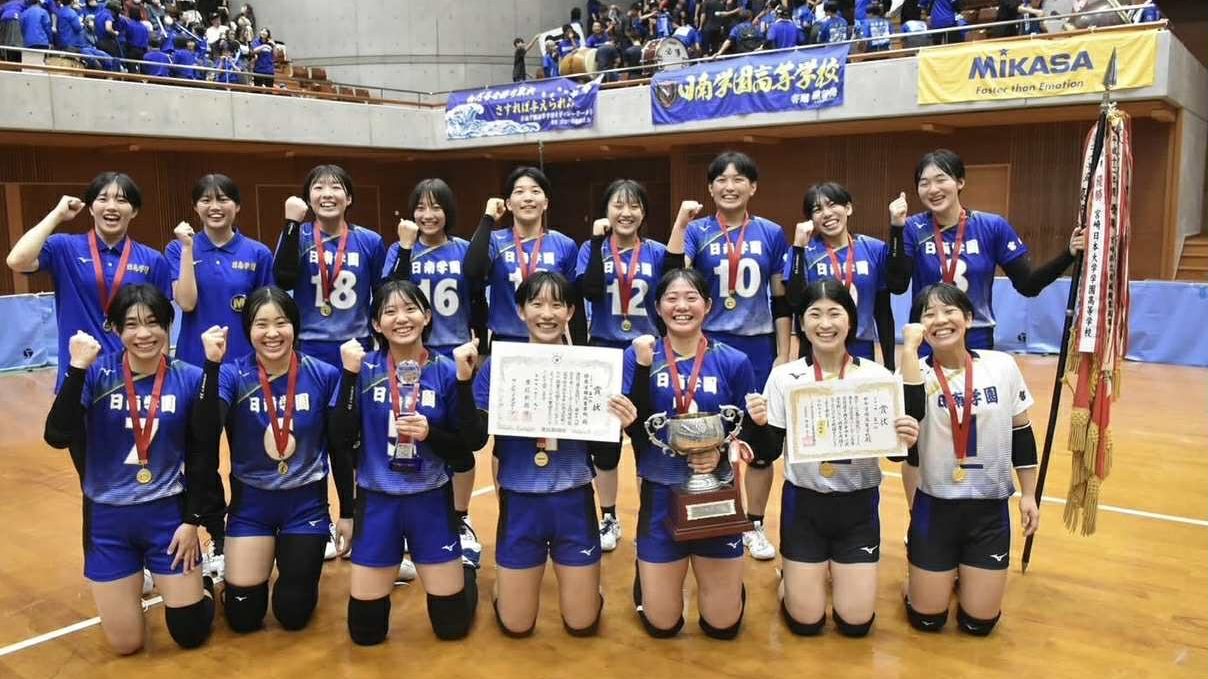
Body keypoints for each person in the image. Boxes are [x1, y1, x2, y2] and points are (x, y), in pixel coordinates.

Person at [42, 284, 222, 654]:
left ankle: (200, 581)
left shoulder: (188, 377)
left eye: (153, 322)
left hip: (167, 519)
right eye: (131, 325)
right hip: (109, 522)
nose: (144, 334)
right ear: (114, 329)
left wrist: (192, 521)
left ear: (168, 325)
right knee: (126, 645)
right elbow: (57, 436)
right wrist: (76, 369)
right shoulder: (96, 375)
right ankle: (129, 590)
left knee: (189, 634)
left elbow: (203, 454)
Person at [464, 271, 636, 637]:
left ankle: (587, 591)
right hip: (521, 501)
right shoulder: (499, 366)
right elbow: (475, 439)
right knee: (517, 626)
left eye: (557, 304)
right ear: (521, 311)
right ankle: (503, 590)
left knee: (582, 624)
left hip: (573, 499)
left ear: (570, 312)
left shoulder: (592, 370)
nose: (547, 313)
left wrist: (619, 424)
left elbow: (604, 454)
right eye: (537, 304)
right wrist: (465, 386)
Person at [759, 280, 919, 636]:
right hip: (804, 505)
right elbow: (768, 450)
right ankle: (792, 579)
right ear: (802, 324)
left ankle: (819, 574)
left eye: (835, 313)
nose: (825, 324)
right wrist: (758, 425)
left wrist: (905, 437)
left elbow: (895, 457)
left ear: (851, 321)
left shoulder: (877, 377)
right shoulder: (784, 378)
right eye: (815, 314)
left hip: (858, 506)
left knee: (856, 623)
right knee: (806, 623)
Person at [332, 279, 481, 644]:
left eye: (411, 309)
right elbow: (339, 438)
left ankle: (464, 566)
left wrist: (435, 427)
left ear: (427, 316)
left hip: (430, 500)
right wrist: (349, 376)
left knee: (451, 627)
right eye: (390, 312)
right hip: (377, 501)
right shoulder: (363, 369)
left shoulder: (445, 369)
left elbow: (468, 446)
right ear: (376, 324)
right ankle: (394, 563)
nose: (401, 318)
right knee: (365, 633)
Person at [625, 268, 765, 639]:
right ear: (658, 307)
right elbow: (636, 431)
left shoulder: (733, 361)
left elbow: (744, 430)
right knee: (662, 625)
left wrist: (721, 453)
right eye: (671, 298)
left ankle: (729, 589)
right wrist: (641, 367)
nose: (682, 306)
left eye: (691, 298)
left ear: (708, 305)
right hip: (661, 491)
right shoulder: (640, 356)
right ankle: (647, 580)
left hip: (717, 492)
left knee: (723, 625)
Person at [666, 151, 790, 561]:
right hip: (710, 346)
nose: (729, 186)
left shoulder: (771, 232)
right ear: (710, 187)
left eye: (739, 179)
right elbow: (673, 272)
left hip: (757, 347)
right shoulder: (698, 231)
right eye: (721, 179)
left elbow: (780, 298)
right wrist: (681, 223)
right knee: (705, 435)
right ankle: (706, 513)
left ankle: (754, 523)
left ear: (753, 187)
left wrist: (782, 354)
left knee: (759, 441)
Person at [899, 283, 1039, 636]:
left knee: (979, 625)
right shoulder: (913, 374)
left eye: (949, 311)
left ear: (969, 318)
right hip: (936, 508)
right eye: (928, 314)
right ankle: (920, 579)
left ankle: (957, 574)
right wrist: (909, 351)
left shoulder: (1001, 366)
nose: (940, 320)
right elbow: (905, 438)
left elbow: (1021, 431)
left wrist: (1028, 494)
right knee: (927, 621)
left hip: (988, 509)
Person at [212, 286, 351, 633]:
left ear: (295, 326)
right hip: (250, 507)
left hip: (305, 506)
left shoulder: (323, 375)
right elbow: (205, 428)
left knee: (293, 613)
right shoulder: (232, 375)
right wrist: (211, 368)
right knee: (243, 619)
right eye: (261, 324)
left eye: (281, 323)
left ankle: (299, 573)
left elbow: (340, 448)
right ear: (248, 330)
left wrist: (348, 512)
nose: (272, 333)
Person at [886, 149, 1085, 352]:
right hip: (929, 334)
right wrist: (896, 229)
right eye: (924, 183)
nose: (933, 189)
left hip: (976, 336)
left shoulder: (991, 226)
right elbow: (897, 285)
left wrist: (1068, 254)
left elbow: (1028, 285)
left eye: (941, 180)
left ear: (960, 182)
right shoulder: (912, 228)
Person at [383, 178, 482, 568]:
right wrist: (406, 248)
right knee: (410, 434)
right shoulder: (399, 249)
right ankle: (411, 523)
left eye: (436, 206)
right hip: (410, 358)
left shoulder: (463, 249)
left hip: (453, 356)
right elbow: (391, 292)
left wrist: (478, 346)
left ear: (448, 211)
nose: (428, 215)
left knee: (457, 440)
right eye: (420, 207)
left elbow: (477, 297)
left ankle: (460, 518)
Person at [5, 172, 172, 391]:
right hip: (78, 371)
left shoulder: (152, 260)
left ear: (134, 211)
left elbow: (162, 325)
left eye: (121, 200)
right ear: (91, 208)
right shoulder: (64, 247)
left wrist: (161, 380)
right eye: (102, 199)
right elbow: (17, 261)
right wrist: (57, 215)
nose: (111, 207)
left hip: (134, 375)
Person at [576, 179, 671, 552]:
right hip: (604, 352)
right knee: (605, 444)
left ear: (644, 213)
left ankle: (652, 513)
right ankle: (609, 516)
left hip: (646, 352)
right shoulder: (591, 249)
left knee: (648, 436)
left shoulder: (657, 252)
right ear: (606, 211)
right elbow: (589, 290)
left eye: (634, 206)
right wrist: (597, 242)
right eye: (618, 205)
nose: (626, 213)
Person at [272, 164, 387, 369]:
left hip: (357, 343)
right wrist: (291, 223)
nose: (327, 194)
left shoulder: (370, 241)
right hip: (309, 344)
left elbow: (382, 296)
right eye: (318, 187)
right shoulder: (298, 236)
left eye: (335, 187)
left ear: (349, 198)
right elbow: (283, 280)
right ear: (308, 199)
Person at [464, 167, 583, 347]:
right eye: (519, 192)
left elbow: (574, 302)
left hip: (550, 340)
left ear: (545, 203)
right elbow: (473, 272)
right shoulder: (494, 241)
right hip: (506, 341)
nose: (528, 198)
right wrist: (488, 218)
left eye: (535, 191)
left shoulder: (565, 245)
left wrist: (579, 349)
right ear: (508, 204)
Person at [166, 174, 273, 369]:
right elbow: (187, 304)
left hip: (244, 360)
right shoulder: (177, 249)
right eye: (206, 200)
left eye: (223, 199)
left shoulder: (259, 253)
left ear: (237, 206)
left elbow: (268, 312)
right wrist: (187, 247)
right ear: (195, 207)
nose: (215, 207)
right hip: (193, 360)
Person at [785, 182, 895, 370]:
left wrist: (890, 364)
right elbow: (795, 301)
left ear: (848, 208)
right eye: (817, 209)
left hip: (861, 347)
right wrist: (798, 248)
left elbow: (883, 311)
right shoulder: (803, 252)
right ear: (811, 219)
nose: (827, 213)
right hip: (817, 346)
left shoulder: (874, 249)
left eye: (832, 204)